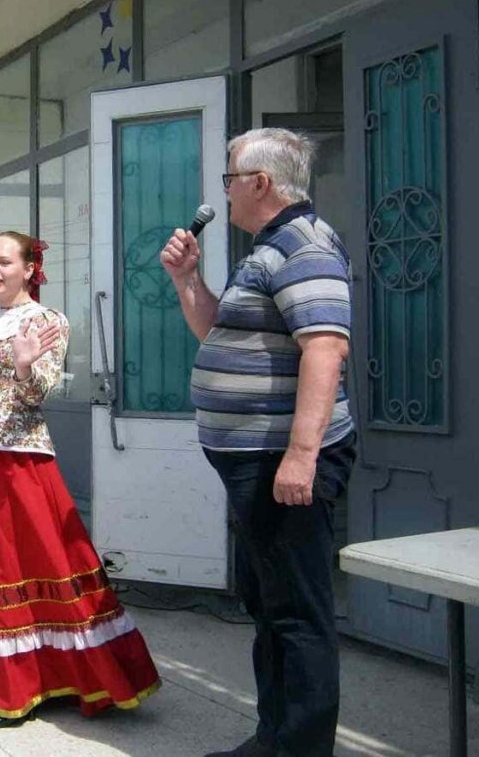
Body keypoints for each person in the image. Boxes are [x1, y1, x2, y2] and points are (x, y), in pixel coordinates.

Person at [160, 128, 356, 757]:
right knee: (270, 605)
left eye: (229, 178)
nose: (224, 192)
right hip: (255, 462)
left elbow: (325, 348)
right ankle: (273, 741)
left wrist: (302, 457)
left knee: (297, 614)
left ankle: (298, 749)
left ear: (260, 184)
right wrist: (187, 280)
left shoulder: (304, 244)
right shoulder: (267, 248)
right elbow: (216, 330)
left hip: (282, 461)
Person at [0, 232, 161, 728]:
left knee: (27, 559)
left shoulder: (46, 320)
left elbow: (39, 390)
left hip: (16, 454)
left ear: (28, 269)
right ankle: (10, 678)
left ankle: (35, 682)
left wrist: (22, 364)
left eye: (4, 262)